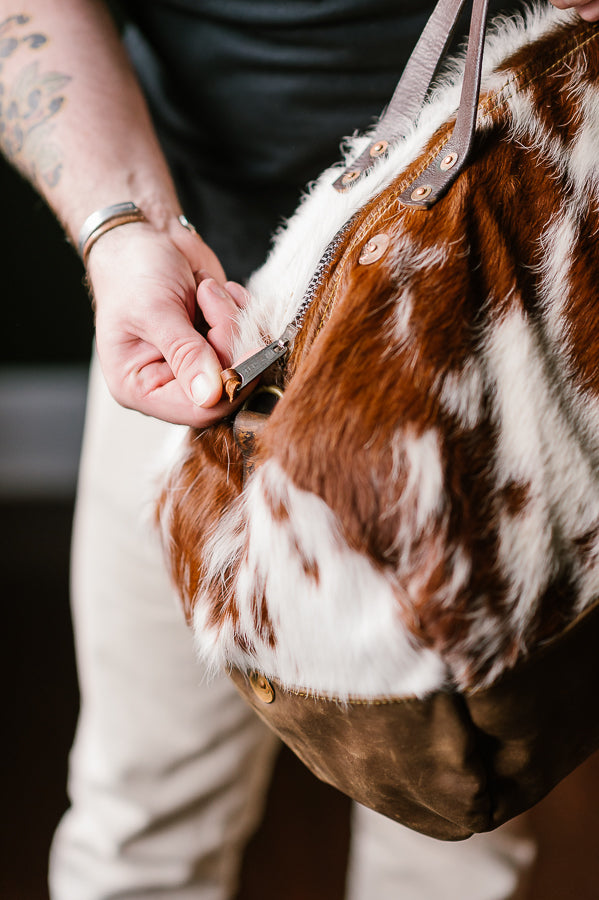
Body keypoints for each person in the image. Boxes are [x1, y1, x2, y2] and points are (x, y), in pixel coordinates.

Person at [0, 1, 597, 898]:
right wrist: (120, 233)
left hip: (497, 338)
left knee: (459, 842)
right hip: (191, 322)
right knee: (142, 822)